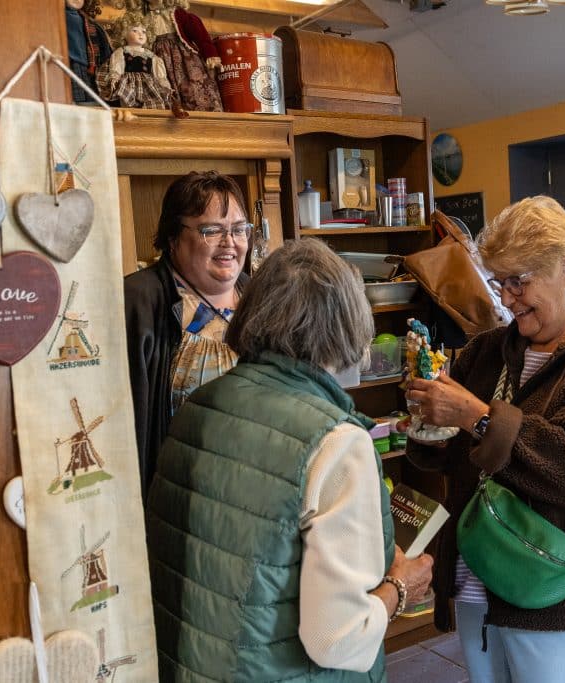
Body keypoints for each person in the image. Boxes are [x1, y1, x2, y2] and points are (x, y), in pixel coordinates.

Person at [146, 238, 434, 682]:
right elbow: (338, 639)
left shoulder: (199, 406)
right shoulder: (337, 441)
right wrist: (400, 586)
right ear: (347, 326)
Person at [405, 195, 565, 682]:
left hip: (553, 590)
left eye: (520, 281)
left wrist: (476, 416)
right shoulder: (487, 351)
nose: (508, 299)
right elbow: (448, 461)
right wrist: (428, 426)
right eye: (500, 282)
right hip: (475, 581)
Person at [125, 171, 249, 498]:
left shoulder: (260, 295)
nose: (230, 242)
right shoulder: (137, 300)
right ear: (173, 236)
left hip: (254, 488)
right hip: (177, 494)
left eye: (239, 229)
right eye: (212, 230)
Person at [98, 24, 172, 110]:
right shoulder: (122, 51)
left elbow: (158, 73)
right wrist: (115, 77)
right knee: (128, 100)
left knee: (152, 100)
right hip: (129, 82)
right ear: (124, 34)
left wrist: (163, 83)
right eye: (135, 31)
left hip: (148, 83)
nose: (140, 34)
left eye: (143, 32)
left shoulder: (150, 55)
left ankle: (150, 114)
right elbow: (117, 64)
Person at [65, 0, 113, 104]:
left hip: (88, 65)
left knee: (89, 96)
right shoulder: (61, 16)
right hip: (69, 62)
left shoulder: (88, 21)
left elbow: (102, 43)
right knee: (75, 96)